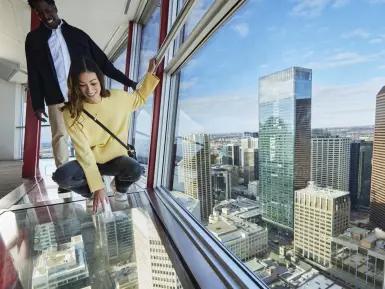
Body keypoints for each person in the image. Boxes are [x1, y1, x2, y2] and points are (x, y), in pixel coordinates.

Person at [25, 0, 137, 175]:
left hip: (85, 97)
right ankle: (64, 176)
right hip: (57, 99)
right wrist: (37, 105)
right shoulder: (33, 40)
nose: (46, 16)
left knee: (90, 136)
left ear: (55, 7)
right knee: (60, 137)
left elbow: (103, 63)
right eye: (40, 13)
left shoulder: (78, 34)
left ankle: (96, 172)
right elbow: (34, 73)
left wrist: (129, 82)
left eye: (48, 10)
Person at [52, 56, 159, 213]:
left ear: (100, 80)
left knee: (135, 169)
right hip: (89, 161)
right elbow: (84, 152)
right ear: (75, 86)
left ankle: (119, 188)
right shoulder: (71, 112)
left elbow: (140, 98)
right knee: (61, 177)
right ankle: (89, 194)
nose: (90, 90)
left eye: (93, 83)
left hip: (116, 160)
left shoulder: (118, 98)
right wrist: (97, 187)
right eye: (82, 85)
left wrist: (150, 74)